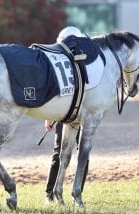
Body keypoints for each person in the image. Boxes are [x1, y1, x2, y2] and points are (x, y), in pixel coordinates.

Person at [44, 26, 89, 202]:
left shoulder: (87, 65)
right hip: (64, 115)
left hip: (83, 116)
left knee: (83, 154)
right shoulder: (59, 66)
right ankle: (49, 194)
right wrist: (49, 116)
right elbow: (54, 93)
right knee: (58, 153)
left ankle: (77, 193)